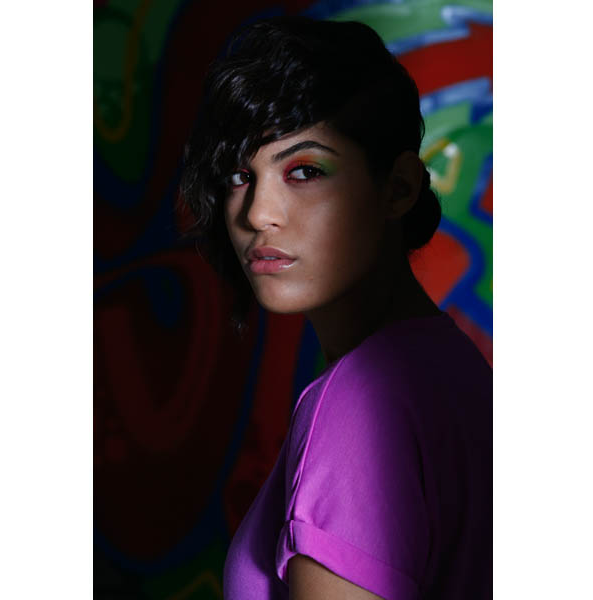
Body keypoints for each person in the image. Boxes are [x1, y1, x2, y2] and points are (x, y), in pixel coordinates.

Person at [179, 15, 492, 600]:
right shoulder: (456, 369)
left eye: (305, 171)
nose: (257, 214)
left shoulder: (358, 400)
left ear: (397, 187)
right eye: (240, 175)